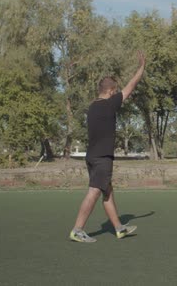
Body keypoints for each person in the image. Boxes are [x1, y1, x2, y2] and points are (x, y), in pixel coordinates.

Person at [69, 51, 146, 243]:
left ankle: (119, 228)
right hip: (102, 158)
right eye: (115, 91)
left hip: (92, 156)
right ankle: (77, 230)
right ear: (111, 91)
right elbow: (131, 86)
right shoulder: (110, 104)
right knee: (95, 191)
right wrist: (141, 68)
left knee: (107, 191)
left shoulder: (92, 107)